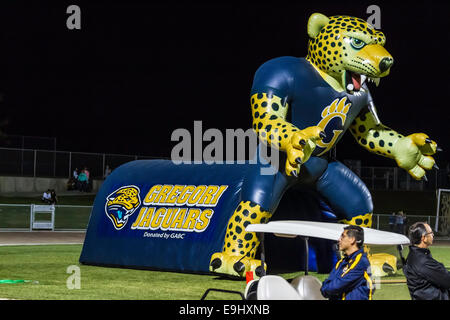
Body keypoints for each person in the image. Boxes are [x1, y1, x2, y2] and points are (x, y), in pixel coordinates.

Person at [320, 225, 374, 300]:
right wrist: (326, 288)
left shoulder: (361, 261)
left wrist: (326, 289)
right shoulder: (341, 262)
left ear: (352, 240)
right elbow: (328, 283)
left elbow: (336, 286)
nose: (339, 239)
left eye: (343, 236)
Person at [403, 222, 450, 300]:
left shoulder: (414, 254)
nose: (433, 235)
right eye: (431, 233)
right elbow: (447, 280)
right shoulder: (423, 261)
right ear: (423, 238)